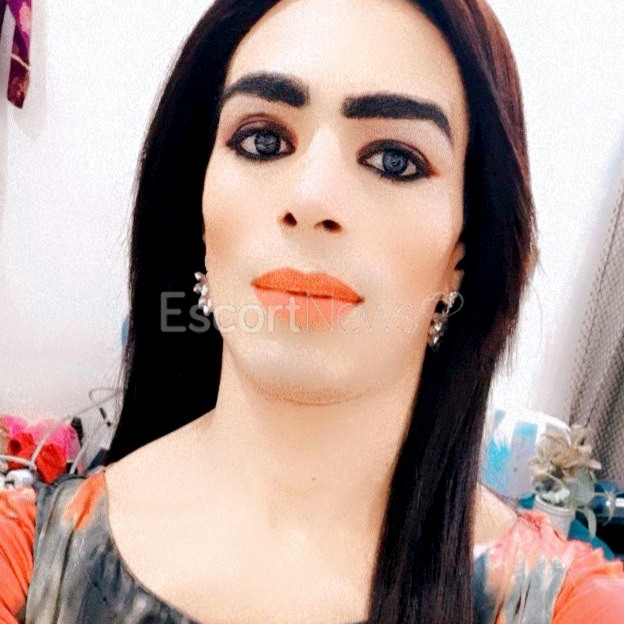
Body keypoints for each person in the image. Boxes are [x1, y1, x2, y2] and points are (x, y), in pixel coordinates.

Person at [1, 0, 624, 622]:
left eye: (395, 160)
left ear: (460, 256)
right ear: (198, 208)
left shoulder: (573, 606)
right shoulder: (25, 557)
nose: (310, 197)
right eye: (263, 141)